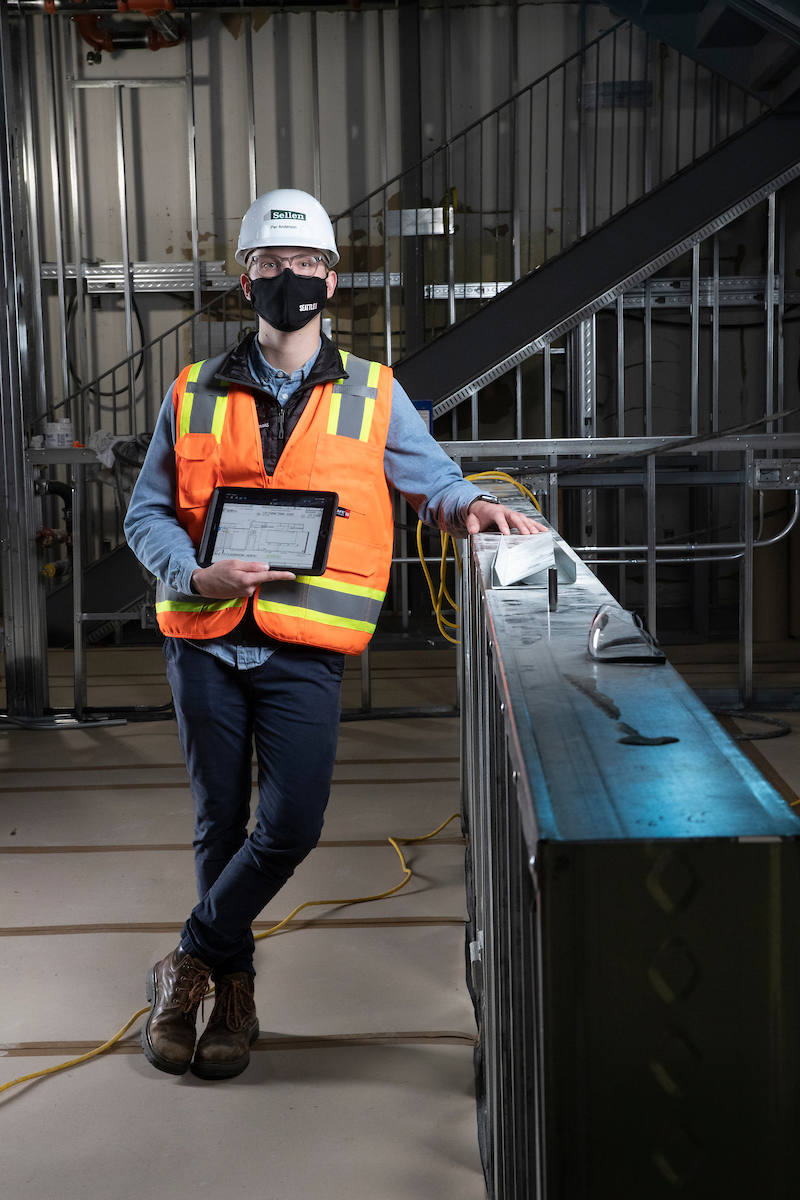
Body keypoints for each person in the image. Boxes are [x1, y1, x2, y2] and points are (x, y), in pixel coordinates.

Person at [124, 187, 545, 1081]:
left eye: (306, 265)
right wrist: (194, 572)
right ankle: (230, 997)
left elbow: (432, 480)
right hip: (204, 635)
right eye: (272, 266)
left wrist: (473, 505)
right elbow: (146, 513)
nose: (290, 280)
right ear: (247, 281)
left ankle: (189, 957)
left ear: (332, 279)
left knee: (290, 824)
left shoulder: (374, 393)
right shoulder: (194, 390)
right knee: (218, 821)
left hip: (303, 649)